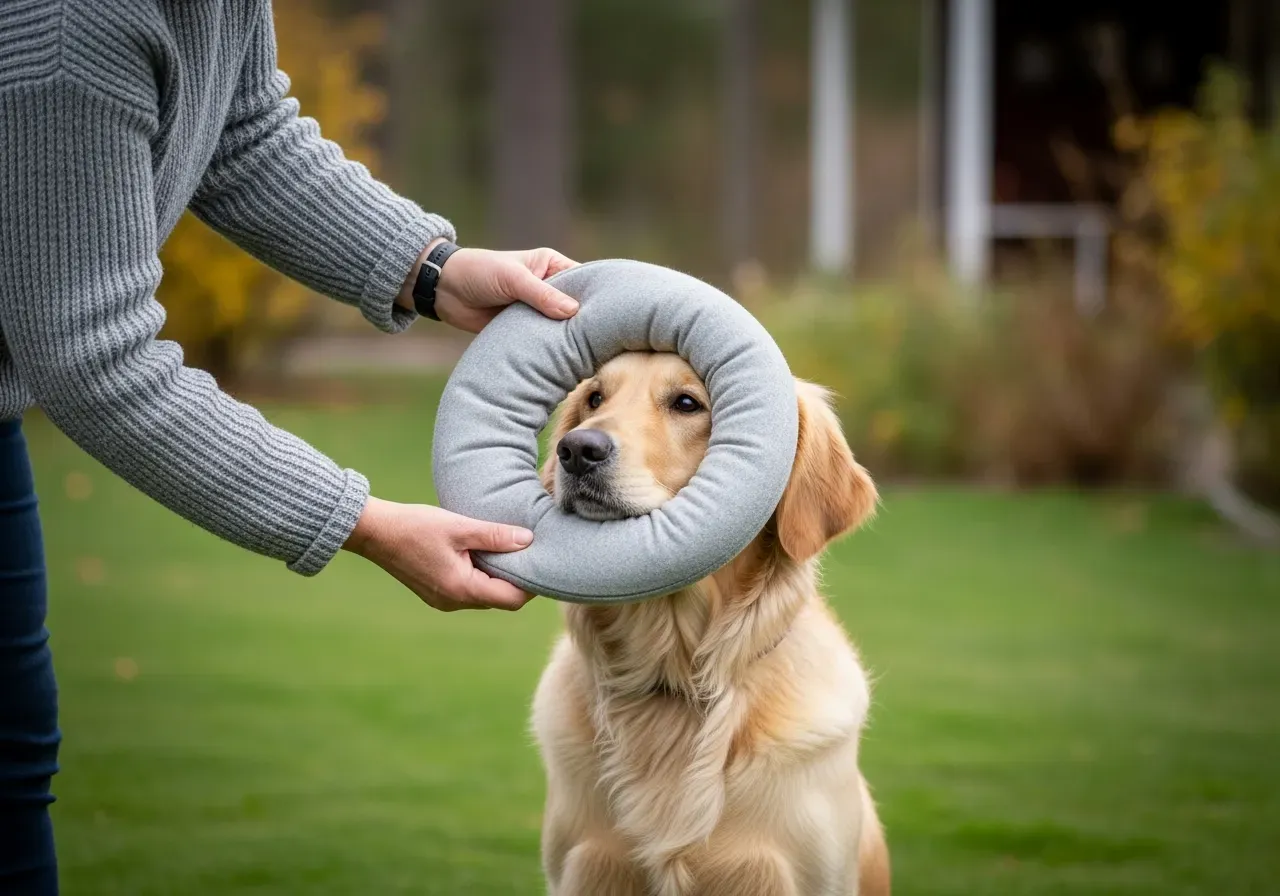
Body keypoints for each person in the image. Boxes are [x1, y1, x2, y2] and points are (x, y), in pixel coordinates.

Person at [0, 1, 578, 892]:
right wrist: (360, 520)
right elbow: (94, 354)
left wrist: (433, 271)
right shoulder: (71, 25)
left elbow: (245, 133)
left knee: (11, 755)